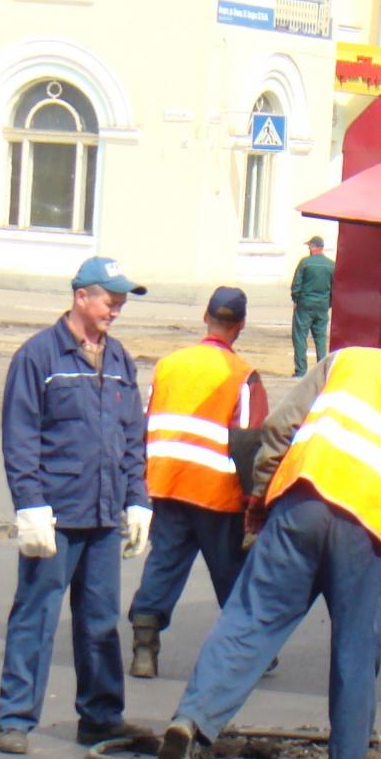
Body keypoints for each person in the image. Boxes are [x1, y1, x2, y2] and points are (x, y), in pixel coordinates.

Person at [157, 327, 381, 759]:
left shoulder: (345, 361)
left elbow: (281, 428)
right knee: (356, 649)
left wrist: (261, 496)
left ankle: (192, 722)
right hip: (367, 534)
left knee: (249, 621)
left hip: (299, 508)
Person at [0, 256, 155, 755]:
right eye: (111, 300)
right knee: (36, 614)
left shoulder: (120, 360)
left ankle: (101, 717)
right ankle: (16, 719)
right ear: (81, 296)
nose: (117, 310)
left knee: (100, 619)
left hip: (105, 515)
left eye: (122, 301)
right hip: (57, 514)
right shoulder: (39, 358)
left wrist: (138, 500)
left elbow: (133, 436)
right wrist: (30, 506)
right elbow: (20, 436)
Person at [126, 286, 268, 678]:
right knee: (232, 573)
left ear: (205, 318)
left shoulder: (170, 364)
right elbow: (249, 442)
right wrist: (255, 502)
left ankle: (144, 648)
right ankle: (251, 650)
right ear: (239, 326)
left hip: (168, 483)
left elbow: (148, 421)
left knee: (164, 564)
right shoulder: (242, 375)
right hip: (217, 493)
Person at [290, 235, 334, 377]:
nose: (309, 248)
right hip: (322, 305)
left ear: (314, 247)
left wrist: (296, 300)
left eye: (310, 246)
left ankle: (301, 371)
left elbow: (296, 285)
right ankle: (322, 371)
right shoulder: (331, 265)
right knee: (320, 337)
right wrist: (328, 303)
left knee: (300, 337)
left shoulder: (305, 263)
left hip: (305, 304)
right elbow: (335, 288)